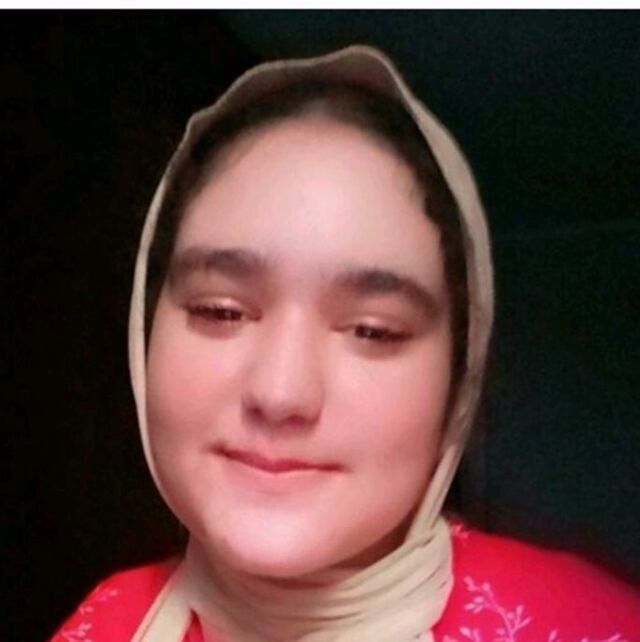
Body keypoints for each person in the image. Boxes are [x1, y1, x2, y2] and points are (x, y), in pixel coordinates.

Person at [52, 45, 639, 642]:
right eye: (219, 310)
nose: (280, 393)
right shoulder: (101, 623)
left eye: (372, 330)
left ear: (457, 382)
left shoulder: (592, 625)